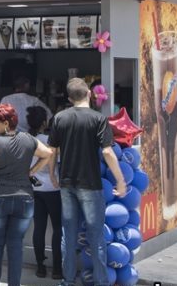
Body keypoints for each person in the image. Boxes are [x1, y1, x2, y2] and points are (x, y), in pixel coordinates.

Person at [50, 78, 127, 286]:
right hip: (90, 184)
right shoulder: (98, 119)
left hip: (66, 184)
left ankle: (67, 281)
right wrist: (120, 180)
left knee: (69, 235)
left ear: (68, 98)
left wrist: (52, 174)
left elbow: (52, 150)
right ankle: (101, 282)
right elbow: (108, 151)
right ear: (90, 95)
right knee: (96, 236)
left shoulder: (59, 118)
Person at [0, 103, 53, 286]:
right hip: (24, 199)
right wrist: (32, 171)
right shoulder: (28, 139)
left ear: (5, 123)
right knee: (16, 245)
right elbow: (48, 153)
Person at [26, 106, 62, 280]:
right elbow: (56, 165)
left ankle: (40, 266)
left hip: (36, 190)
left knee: (38, 228)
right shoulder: (50, 141)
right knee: (58, 229)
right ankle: (57, 268)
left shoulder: (26, 140)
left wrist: (36, 184)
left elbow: (28, 169)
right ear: (44, 123)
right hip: (54, 190)